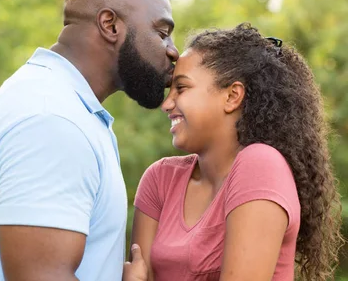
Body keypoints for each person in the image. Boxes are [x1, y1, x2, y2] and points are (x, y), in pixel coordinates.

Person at [0, 0, 179, 281]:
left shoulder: (57, 103)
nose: (173, 50)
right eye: (161, 32)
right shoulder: (54, 120)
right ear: (110, 25)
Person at [131, 23, 344, 281]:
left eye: (182, 88)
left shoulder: (261, 165)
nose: (166, 103)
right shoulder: (160, 179)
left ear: (232, 96)